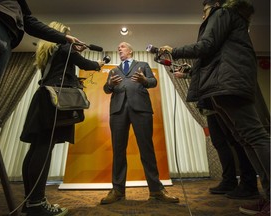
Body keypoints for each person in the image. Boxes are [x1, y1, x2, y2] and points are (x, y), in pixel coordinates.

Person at [159, 0, 270, 215]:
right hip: (221, 85)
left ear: (216, 4)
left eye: (204, 12)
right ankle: (268, 197)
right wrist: (190, 73)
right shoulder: (230, 19)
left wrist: (175, 50)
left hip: (228, 83)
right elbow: (210, 56)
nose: (203, 17)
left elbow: (205, 46)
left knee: (255, 137)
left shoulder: (222, 13)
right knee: (245, 139)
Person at [20, 21, 104, 216]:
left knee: (36, 149)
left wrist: (74, 50)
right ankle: (37, 203)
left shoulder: (48, 50)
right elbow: (86, 65)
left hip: (43, 97)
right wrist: (99, 64)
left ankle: (29, 201)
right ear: (61, 34)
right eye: (67, 34)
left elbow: (66, 62)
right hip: (54, 101)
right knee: (44, 149)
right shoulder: (64, 46)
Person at [101, 41, 179, 205]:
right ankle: (117, 191)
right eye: (118, 47)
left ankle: (156, 191)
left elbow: (153, 82)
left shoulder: (143, 65)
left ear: (130, 51)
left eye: (122, 46)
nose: (119, 49)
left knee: (147, 149)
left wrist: (144, 80)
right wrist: (110, 84)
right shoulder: (114, 70)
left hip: (141, 109)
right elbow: (106, 90)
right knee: (118, 151)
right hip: (118, 111)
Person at [175, 64, 260, 200]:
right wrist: (187, 73)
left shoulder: (217, 55)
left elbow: (212, 73)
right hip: (210, 106)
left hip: (222, 101)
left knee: (238, 142)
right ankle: (229, 181)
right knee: (219, 144)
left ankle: (249, 184)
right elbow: (204, 75)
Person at [0, 0, 82, 89]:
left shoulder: (19, 7)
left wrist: (64, 37)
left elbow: (29, 23)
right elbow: (83, 63)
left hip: (7, 42)